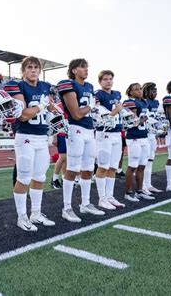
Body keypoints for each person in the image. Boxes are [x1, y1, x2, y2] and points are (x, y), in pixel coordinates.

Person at [5, 56, 55, 231]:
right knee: (24, 177)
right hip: (25, 136)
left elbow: (50, 109)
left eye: (36, 67)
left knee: (40, 176)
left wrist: (53, 112)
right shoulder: (18, 86)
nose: (33, 70)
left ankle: (36, 213)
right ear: (23, 70)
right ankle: (22, 217)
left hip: (42, 137)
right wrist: (41, 107)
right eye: (29, 67)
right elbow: (23, 115)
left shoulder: (45, 87)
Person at [57, 59, 103, 223]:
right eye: (82, 67)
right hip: (76, 129)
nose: (86, 70)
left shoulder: (89, 87)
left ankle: (85, 203)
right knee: (72, 169)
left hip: (90, 130)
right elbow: (76, 114)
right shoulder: (68, 84)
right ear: (74, 70)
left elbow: (88, 111)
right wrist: (90, 107)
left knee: (88, 169)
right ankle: (67, 207)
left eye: (86, 67)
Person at [94, 70, 126, 210]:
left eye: (110, 78)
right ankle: (102, 198)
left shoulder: (117, 93)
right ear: (100, 81)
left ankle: (110, 196)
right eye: (105, 79)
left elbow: (121, 111)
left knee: (113, 167)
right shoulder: (98, 95)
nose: (108, 81)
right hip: (104, 133)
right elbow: (100, 117)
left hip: (116, 133)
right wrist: (115, 111)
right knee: (103, 166)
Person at [122, 83, 154, 201]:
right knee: (133, 165)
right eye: (136, 90)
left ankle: (140, 191)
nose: (139, 91)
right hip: (134, 137)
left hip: (144, 136)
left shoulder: (144, 102)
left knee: (142, 165)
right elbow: (134, 122)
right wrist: (145, 119)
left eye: (140, 89)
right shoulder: (130, 102)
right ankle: (128, 192)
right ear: (130, 92)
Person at [142, 82, 164, 193]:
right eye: (153, 91)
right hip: (145, 134)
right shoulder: (144, 102)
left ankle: (148, 184)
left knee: (150, 160)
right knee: (144, 161)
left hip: (153, 134)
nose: (155, 93)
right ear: (146, 91)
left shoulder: (156, 102)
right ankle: (142, 186)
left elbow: (158, 116)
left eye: (156, 91)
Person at [51, 101, 67, 189]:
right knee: (62, 157)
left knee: (66, 158)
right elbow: (54, 121)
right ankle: (55, 179)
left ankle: (64, 178)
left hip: (68, 133)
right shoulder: (58, 106)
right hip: (61, 133)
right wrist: (55, 136)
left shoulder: (69, 103)